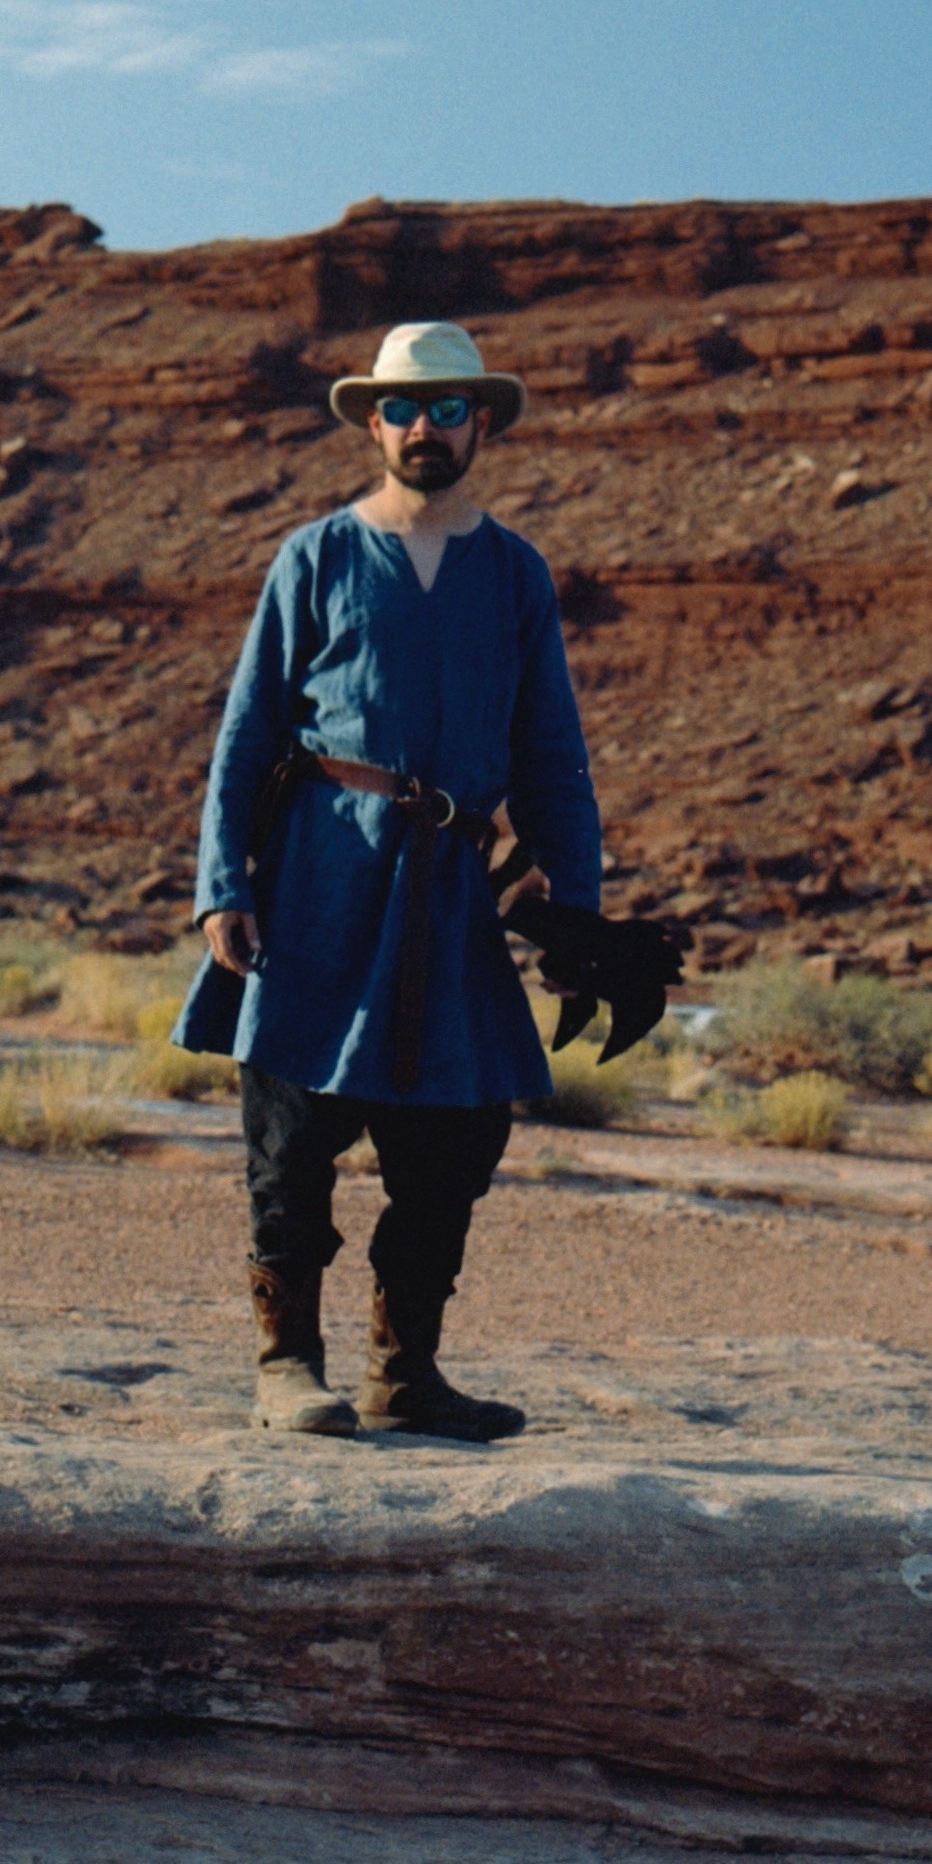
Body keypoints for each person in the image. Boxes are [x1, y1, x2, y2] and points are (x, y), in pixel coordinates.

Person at [175, 317, 601, 1440]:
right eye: (403, 409)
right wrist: (224, 881)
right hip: (320, 880)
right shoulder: (313, 556)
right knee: (291, 1131)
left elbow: (551, 754)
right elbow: (246, 731)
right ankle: (286, 1365)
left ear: (481, 424)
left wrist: (578, 913)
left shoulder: (514, 573)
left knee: (454, 1142)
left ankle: (404, 1373)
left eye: (446, 409)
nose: (424, 429)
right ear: (373, 423)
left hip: (453, 895)